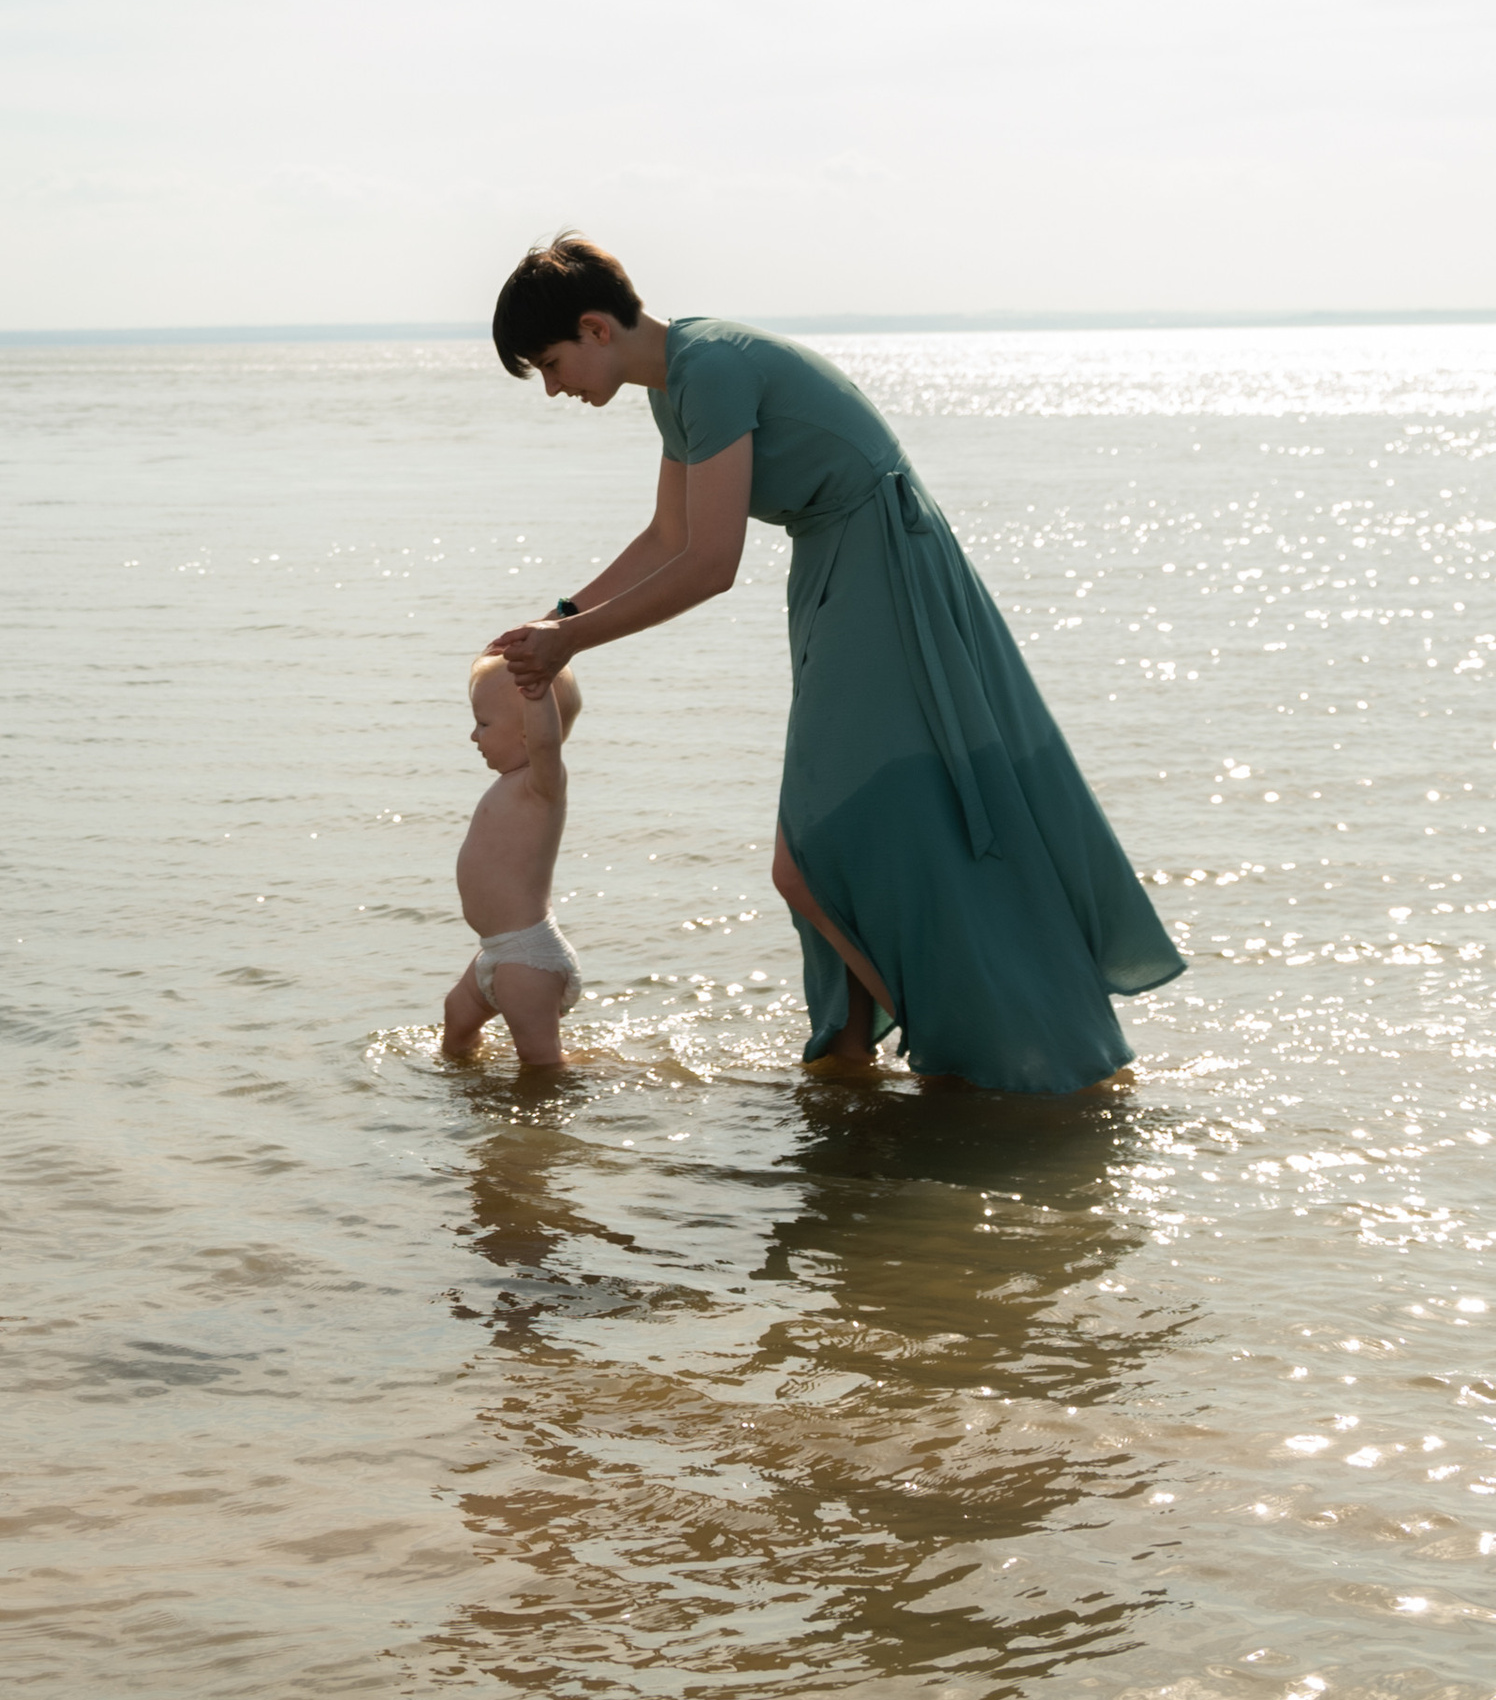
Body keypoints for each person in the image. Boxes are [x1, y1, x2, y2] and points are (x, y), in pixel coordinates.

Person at [485, 234, 1182, 1092]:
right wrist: (557, 618)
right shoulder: (677, 388)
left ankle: (957, 1047)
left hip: (881, 564)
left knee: (814, 849)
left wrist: (574, 644)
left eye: (551, 366)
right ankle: (851, 1062)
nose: (554, 389)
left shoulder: (711, 368)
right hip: (841, 565)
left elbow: (709, 564)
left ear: (595, 328)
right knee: (854, 833)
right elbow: (666, 537)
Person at [442, 651, 585, 1071]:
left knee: (540, 1062)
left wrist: (539, 695)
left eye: (483, 724)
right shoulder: (510, 785)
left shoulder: (542, 785)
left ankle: (548, 1125)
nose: (474, 736)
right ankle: (470, 1097)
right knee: (456, 1024)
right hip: (496, 951)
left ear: (527, 734)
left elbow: (546, 742)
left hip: (528, 956)